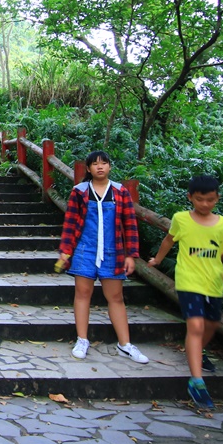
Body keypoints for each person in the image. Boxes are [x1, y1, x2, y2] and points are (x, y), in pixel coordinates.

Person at [147, 175, 223, 410]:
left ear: (217, 198)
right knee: (196, 326)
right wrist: (158, 260)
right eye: (200, 200)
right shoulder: (181, 219)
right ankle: (196, 381)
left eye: (210, 200)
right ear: (190, 198)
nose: (205, 204)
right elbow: (169, 240)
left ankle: (197, 351)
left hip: (213, 283)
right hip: (188, 280)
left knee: (212, 323)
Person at [57, 151, 148, 364]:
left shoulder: (120, 192)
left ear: (109, 167)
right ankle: (82, 339)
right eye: (95, 164)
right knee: (82, 293)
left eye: (104, 163)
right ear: (88, 169)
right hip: (84, 250)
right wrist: (65, 249)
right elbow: (70, 223)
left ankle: (125, 344)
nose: (100, 167)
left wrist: (131, 254)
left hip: (113, 251)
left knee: (115, 297)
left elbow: (130, 224)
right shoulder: (79, 192)